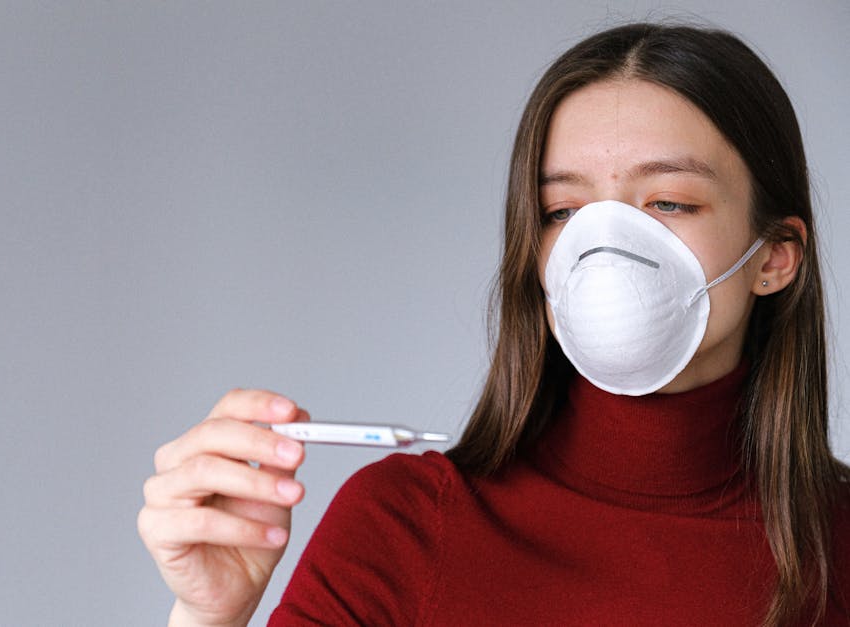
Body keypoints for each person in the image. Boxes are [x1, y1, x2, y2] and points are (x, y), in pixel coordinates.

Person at [138, 22, 850, 626]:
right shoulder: (405, 525)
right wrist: (207, 616)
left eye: (667, 202)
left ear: (775, 256)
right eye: (562, 212)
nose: (603, 246)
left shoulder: (838, 546)